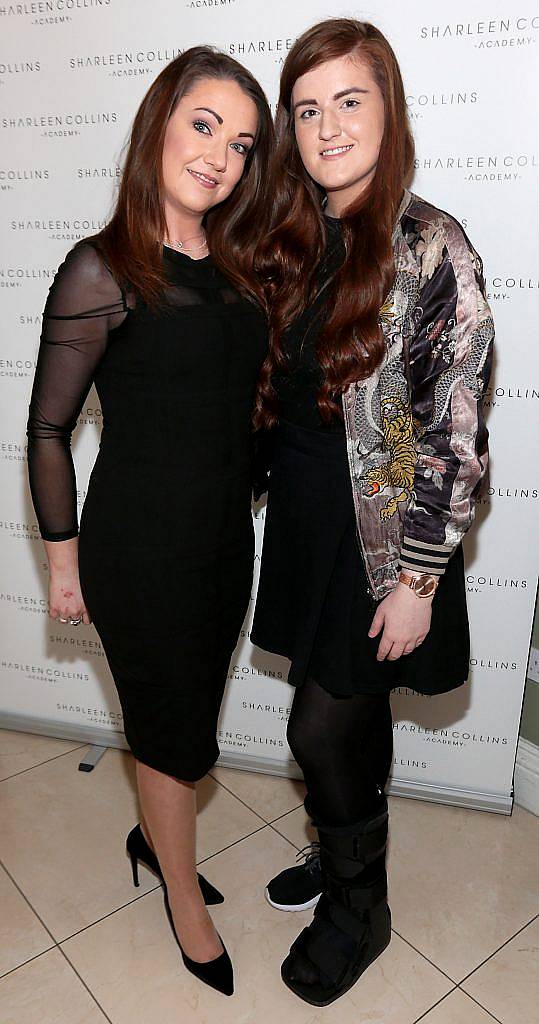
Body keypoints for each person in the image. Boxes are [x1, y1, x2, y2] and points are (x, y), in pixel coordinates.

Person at [251, 18, 494, 1007]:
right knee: (342, 712)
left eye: (348, 101)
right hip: (308, 516)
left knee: (317, 728)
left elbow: (455, 426)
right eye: (306, 109)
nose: (327, 126)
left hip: (385, 534)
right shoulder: (291, 240)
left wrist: (416, 577)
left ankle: (359, 904)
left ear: (386, 112)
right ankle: (341, 843)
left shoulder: (431, 245)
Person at [26, 46, 273, 997]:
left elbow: (227, 402)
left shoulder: (239, 267)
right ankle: (180, 893)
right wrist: (63, 566)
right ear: (160, 123)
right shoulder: (103, 268)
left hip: (220, 545)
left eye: (243, 144)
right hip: (137, 551)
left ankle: (150, 834)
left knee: (185, 724)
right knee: (170, 737)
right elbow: (48, 431)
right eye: (204, 125)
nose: (221, 156)